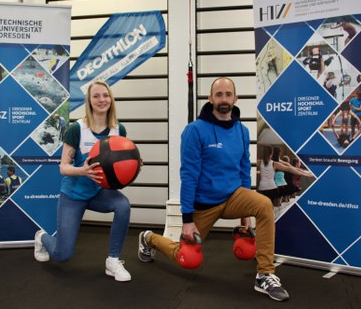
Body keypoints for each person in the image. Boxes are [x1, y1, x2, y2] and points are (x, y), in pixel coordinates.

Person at [138, 77, 289, 301]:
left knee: (264, 204)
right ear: (210, 98)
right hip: (205, 204)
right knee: (187, 258)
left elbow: (243, 170)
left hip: (233, 196)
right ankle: (149, 238)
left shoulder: (242, 131)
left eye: (228, 94)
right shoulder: (195, 130)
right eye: (219, 95)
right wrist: (187, 219)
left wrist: (245, 216)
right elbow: (188, 176)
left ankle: (265, 274)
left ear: (236, 98)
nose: (224, 99)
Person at [33, 81, 133, 283]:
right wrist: (82, 170)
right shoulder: (77, 129)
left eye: (105, 95)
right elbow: (63, 167)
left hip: (98, 193)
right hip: (73, 195)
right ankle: (41, 236)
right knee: (62, 255)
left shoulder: (118, 130)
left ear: (111, 98)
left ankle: (113, 261)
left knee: (123, 205)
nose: (101, 100)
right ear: (89, 100)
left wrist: (134, 165)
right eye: (96, 96)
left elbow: (121, 162)